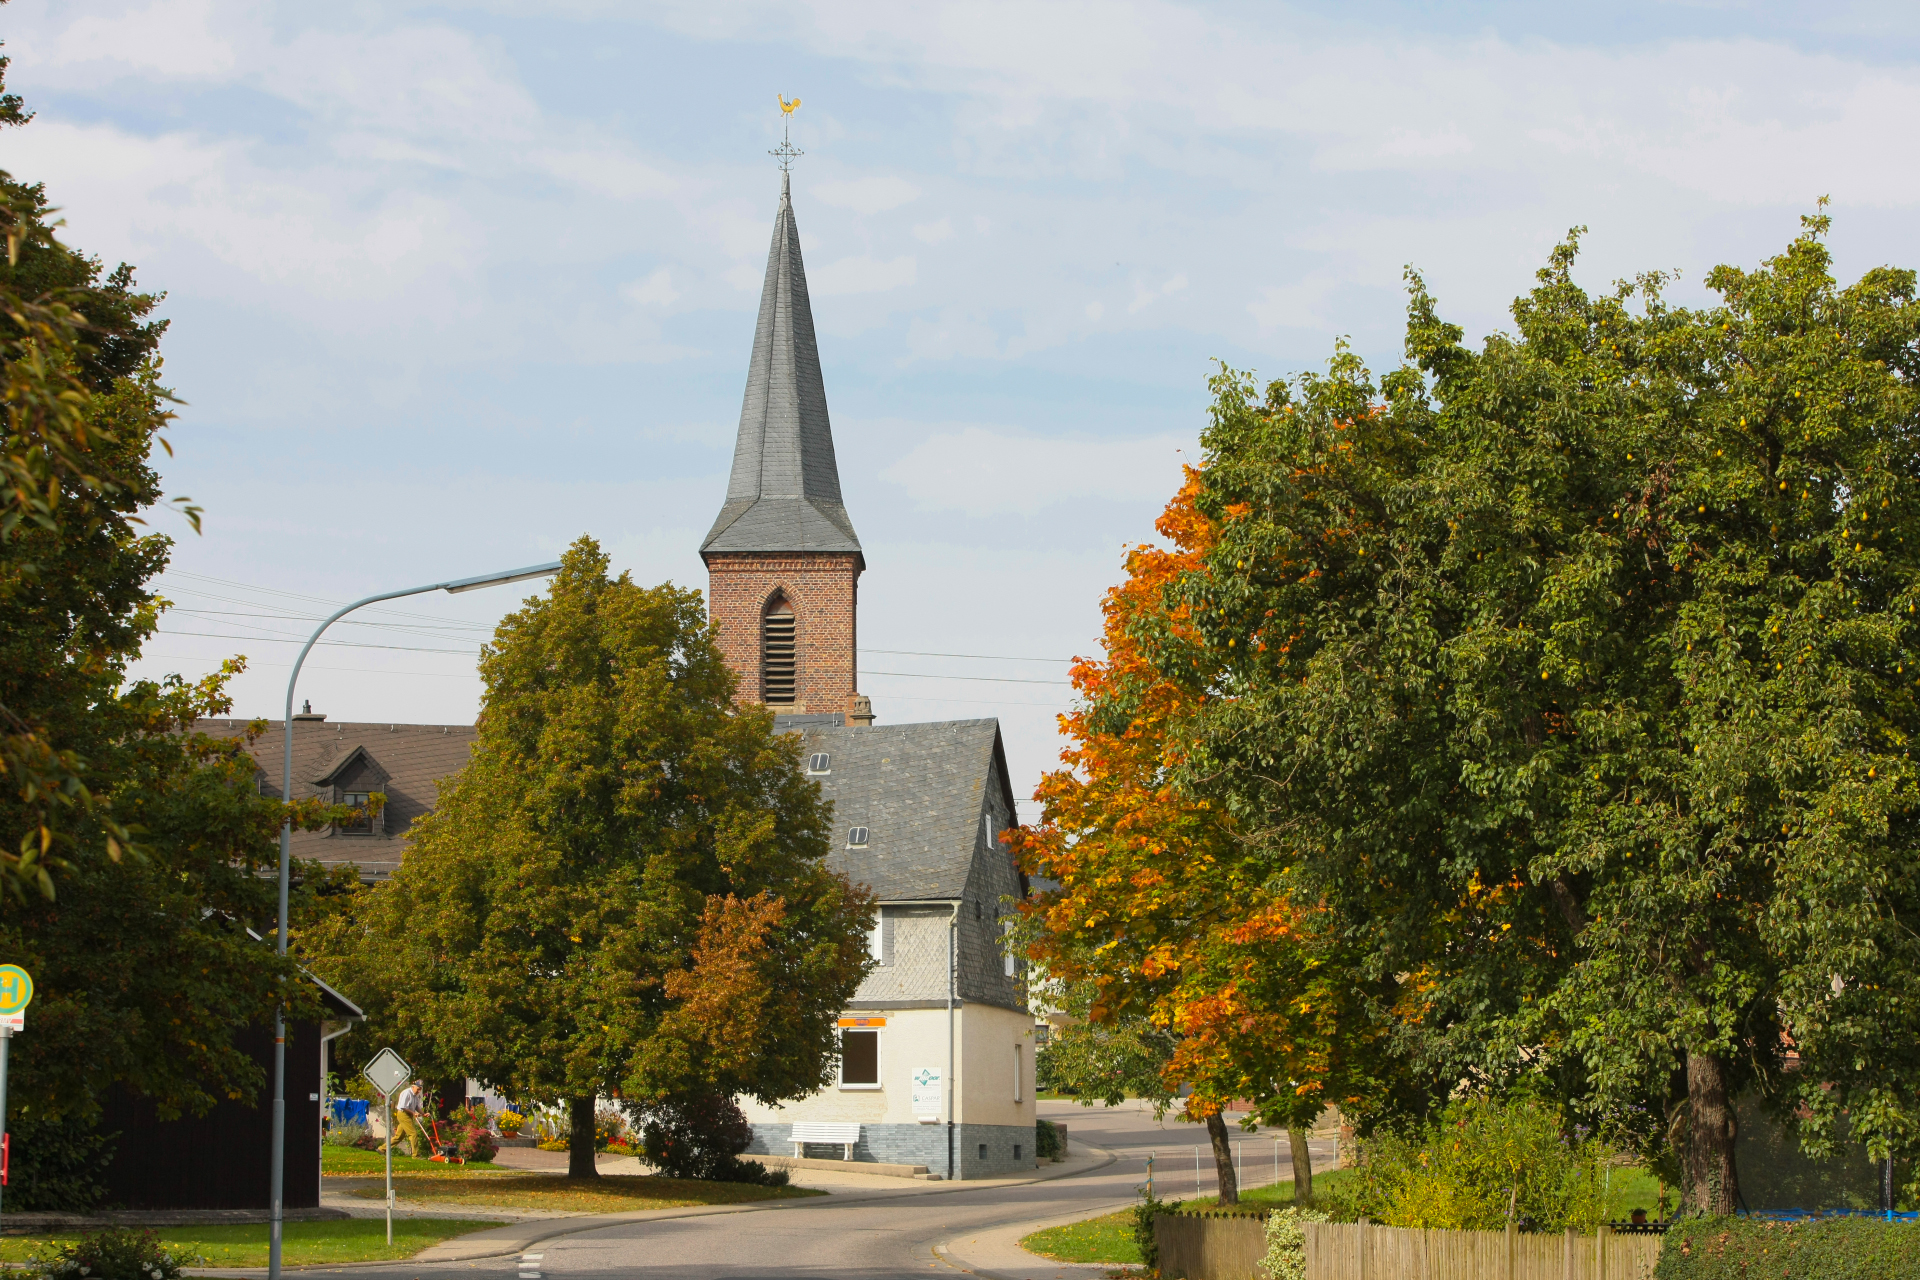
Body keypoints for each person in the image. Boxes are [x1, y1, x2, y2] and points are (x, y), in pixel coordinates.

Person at [390, 1080, 428, 1158]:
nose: (419, 1091)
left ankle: (382, 1149)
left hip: (408, 1115)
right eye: (418, 1089)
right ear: (413, 1086)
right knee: (413, 1134)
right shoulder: (406, 1093)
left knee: (399, 1136)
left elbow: (417, 1107)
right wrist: (414, 1113)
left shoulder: (415, 1095)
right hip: (403, 1114)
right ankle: (415, 1155)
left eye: (420, 1089)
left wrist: (423, 1114)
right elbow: (403, 1107)